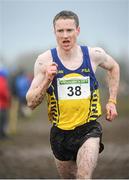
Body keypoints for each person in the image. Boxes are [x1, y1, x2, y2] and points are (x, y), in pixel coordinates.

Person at [26, 10, 120, 179]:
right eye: (60, 31)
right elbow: (31, 102)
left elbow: (114, 67)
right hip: (60, 133)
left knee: (83, 176)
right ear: (54, 32)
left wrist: (112, 101)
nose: (65, 36)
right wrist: (47, 80)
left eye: (69, 30)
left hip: (88, 129)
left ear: (78, 30)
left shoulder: (93, 55)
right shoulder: (44, 61)